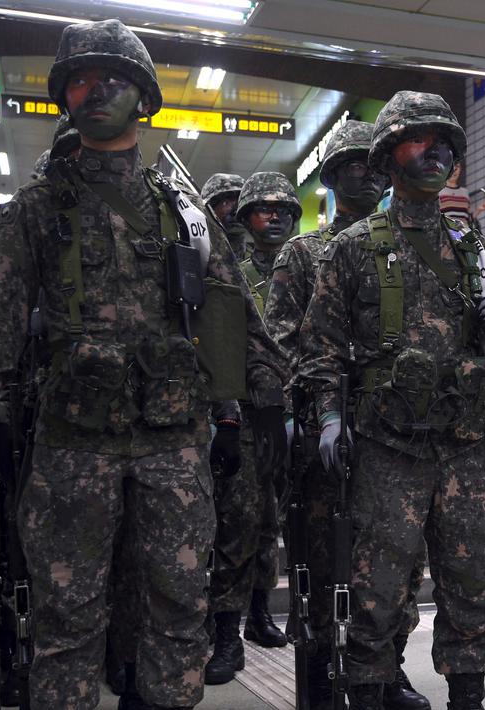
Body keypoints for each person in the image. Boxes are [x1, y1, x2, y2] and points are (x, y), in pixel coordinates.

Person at [0, 19, 290, 710]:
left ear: (142, 96)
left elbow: (236, 328)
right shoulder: (35, 213)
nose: (94, 90)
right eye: (79, 79)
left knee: (176, 611)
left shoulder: (186, 216)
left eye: (112, 78)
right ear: (63, 99)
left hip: (173, 448)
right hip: (72, 449)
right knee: (68, 620)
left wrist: (248, 418)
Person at [299, 90, 485, 710]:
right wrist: (327, 416)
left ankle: (467, 696)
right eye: (417, 140)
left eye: (445, 143)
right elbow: (319, 343)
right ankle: (370, 692)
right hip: (387, 449)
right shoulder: (353, 247)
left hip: (464, 446)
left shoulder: (472, 243)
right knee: (376, 588)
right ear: (387, 156)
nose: (434, 153)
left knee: (471, 583)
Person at [266, 120, 429, 710]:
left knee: (396, 567)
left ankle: (385, 673)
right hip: (326, 440)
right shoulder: (303, 253)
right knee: (322, 562)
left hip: (395, 435)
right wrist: (297, 418)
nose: (366, 172)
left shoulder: (408, 245)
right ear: (332, 178)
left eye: (372, 162)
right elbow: (282, 344)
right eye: (352, 164)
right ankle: (318, 680)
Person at [205, 171, 301, 685]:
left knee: (271, 523)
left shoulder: (309, 266)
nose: (276, 217)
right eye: (264, 209)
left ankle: (261, 611)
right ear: (243, 217)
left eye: (284, 209)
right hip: (244, 417)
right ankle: (225, 631)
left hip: (294, 416)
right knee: (236, 525)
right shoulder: (230, 271)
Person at [201, 173, 248, 261]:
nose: (236, 211)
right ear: (210, 208)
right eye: (226, 201)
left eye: (241, 202)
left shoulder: (257, 260)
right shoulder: (198, 250)